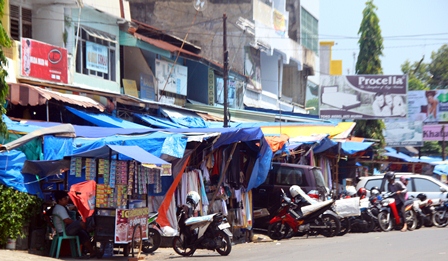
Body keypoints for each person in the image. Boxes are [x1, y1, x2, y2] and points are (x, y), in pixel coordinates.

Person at [52, 190, 96, 258]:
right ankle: (89, 229)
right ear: (59, 200)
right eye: (65, 199)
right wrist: (77, 223)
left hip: (65, 229)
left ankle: (92, 252)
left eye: (66, 198)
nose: (67, 200)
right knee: (81, 223)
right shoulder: (60, 208)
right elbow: (67, 221)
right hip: (64, 231)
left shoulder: (62, 207)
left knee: (82, 233)